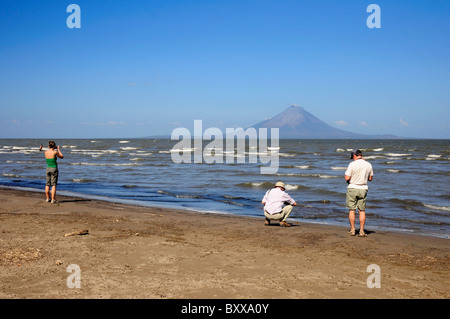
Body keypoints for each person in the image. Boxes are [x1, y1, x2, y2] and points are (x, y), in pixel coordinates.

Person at [344, 149, 373, 237]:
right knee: (362, 210)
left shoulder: (352, 164)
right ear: (361, 155)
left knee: (352, 210)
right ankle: (361, 231)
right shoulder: (368, 164)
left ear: (354, 156)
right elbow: (370, 179)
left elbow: (346, 177)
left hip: (352, 187)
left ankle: (353, 230)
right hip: (363, 188)